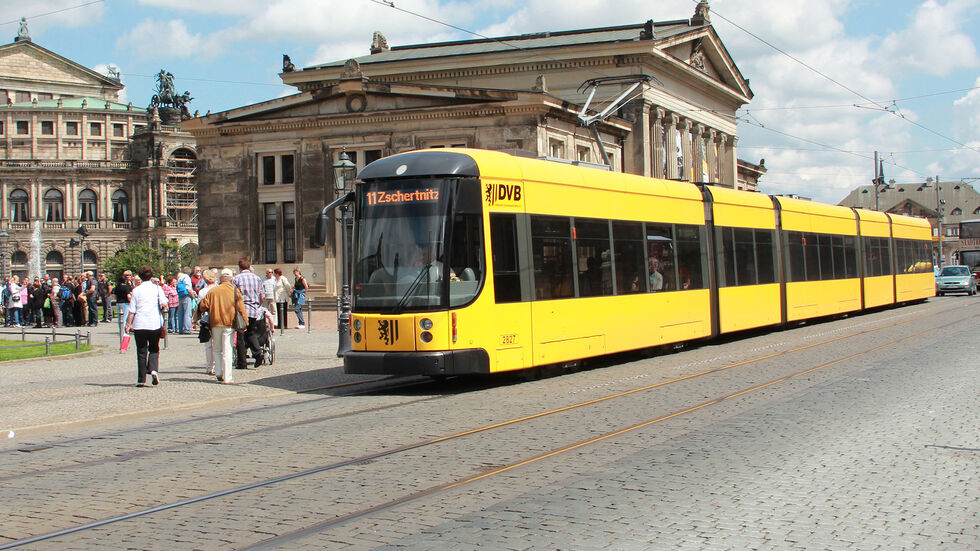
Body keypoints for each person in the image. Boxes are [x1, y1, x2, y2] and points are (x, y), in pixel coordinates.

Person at [197, 268, 246, 384]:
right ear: (231, 279)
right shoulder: (235, 291)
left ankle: (219, 372)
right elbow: (241, 308)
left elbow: (203, 306)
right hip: (229, 323)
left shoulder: (214, 291)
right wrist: (245, 322)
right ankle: (228, 377)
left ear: (220, 278)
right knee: (228, 350)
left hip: (215, 322)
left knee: (217, 349)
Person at [125, 265, 167, 387]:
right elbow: (164, 303)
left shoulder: (136, 290)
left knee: (141, 352)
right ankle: (153, 369)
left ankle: (141, 379)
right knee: (154, 348)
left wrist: (128, 324)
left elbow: (132, 310)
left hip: (140, 323)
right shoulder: (157, 288)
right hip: (154, 323)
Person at [232, 257, 265, 368]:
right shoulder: (257, 278)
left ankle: (242, 362)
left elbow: (234, 296)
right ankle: (258, 352)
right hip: (254, 310)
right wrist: (257, 306)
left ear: (239, 267)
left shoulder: (236, 279)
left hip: (242, 310)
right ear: (249, 266)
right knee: (251, 333)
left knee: (241, 336)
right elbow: (262, 296)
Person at [193, 269, 218, 376]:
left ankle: (209, 367)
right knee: (218, 344)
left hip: (207, 318)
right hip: (218, 317)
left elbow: (200, 306)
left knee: (208, 345)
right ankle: (218, 366)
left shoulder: (203, 291)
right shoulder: (218, 289)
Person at [176, 266, 195, 334]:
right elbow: (188, 288)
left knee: (180, 313)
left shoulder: (180, 278)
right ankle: (186, 329)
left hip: (180, 296)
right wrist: (192, 296)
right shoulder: (187, 277)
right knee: (187, 313)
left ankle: (180, 329)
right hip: (186, 296)